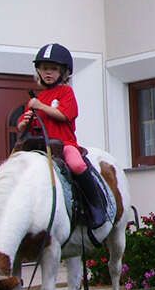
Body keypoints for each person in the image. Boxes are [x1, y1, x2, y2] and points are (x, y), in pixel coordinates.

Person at [17, 43, 107, 228]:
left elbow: (66, 115)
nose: (48, 73)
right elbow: (21, 126)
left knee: (77, 164)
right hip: (40, 148)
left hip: (64, 144)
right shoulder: (36, 99)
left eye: (53, 69)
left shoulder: (66, 92)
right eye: (44, 69)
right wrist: (24, 122)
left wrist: (40, 107)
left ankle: (96, 205)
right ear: (39, 72)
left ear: (63, 72)